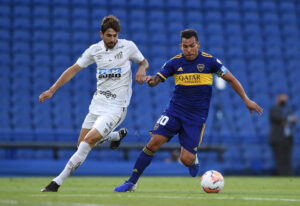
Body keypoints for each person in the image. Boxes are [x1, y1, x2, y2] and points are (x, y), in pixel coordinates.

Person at [114, 29, 263, 192]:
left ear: (198, 44)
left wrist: (247, 100)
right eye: (185, 46)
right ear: (180, 46)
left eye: (192, 46)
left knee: (185, 159)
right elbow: (157, 79)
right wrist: (150, 80)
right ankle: (131, 182)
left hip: (196, 117)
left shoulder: (210, 62)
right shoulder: (174, 63)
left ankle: (192, 160)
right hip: (175, 111)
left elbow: (231, 79)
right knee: (154, 142)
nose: (189, 50)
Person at [39, 15, 149, 192]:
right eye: (109, 36)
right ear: (101, 34)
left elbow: (143, 62)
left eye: (115, 35)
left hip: (116, 107)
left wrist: (141, 70)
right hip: (97, 104)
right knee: (81, 144)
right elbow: (73, 69)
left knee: (88, 142)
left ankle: (56, 182)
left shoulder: (128, 47)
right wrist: (52, 90)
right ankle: (114, 136)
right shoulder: (94, 50)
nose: (112, 39)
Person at [269, 93, 297, 176]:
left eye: (285, 99)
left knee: (287, 158)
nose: (284, 101)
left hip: (288, 138)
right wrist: (288, 119)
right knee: (280, 158)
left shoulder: (287, 110)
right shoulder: (274, 109)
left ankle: (288, 175)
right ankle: (282, 175)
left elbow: (292, 121)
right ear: (277, 99)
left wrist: (287, 120)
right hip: (278, 139)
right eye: (282, 99)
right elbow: (278, 118)